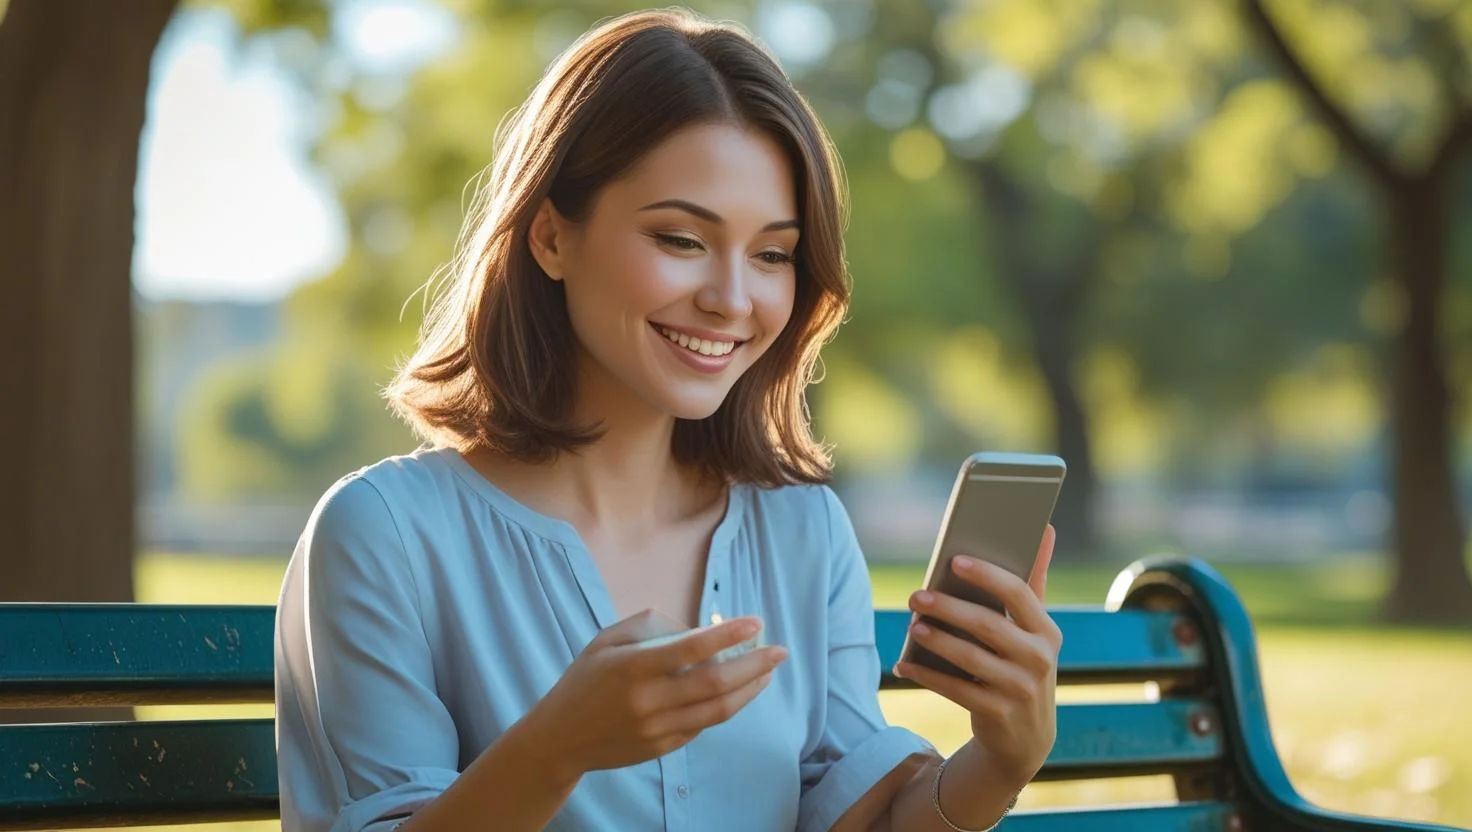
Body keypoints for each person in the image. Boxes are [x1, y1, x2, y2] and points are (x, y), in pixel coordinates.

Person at [274, 8, 1061, 832]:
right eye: (682, 239)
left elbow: (860, 819)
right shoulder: (385, 534)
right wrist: (553, 749)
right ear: (549, 236)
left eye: (771, 254)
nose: (731, 299)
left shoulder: (802, 531)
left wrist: (999, 762)